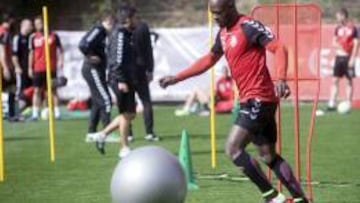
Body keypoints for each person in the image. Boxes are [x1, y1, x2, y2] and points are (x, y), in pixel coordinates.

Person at [159, 0, 309, 202]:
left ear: (231, 8)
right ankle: (301, 199)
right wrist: (177, 77)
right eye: (212, 13)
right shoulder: (223, 33)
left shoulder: (248, 26)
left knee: (233, 148)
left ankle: (273, 198)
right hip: (252, 100)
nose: (215, 17)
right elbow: (209, 59)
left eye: (218, 13)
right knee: (268, 156)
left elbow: (279, 47)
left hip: (259, 98)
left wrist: (281, 78)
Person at [92, 8, 137, 158]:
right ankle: (124, 148)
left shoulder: (124, 34)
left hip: (125, 78)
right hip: (119, 79)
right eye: (135, 18)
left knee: (130, 114)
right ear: (128, 19)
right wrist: (121, 80)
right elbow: (116, 60)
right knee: (126, 115)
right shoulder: (119, 34)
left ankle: (102, 134)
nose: (137, 20)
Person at [118, 6, 159, 142]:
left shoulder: (121, 30)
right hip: (138, 70)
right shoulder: (142, 27)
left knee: (130, 104)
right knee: (145, 102)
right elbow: (148, 50)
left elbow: (147, 49)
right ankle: (149, 133)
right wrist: (150, 69)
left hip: (130, 71)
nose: (137, 19)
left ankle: (129, 134)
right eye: (135, 16)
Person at [79, 12, 114, 141]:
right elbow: (83, 44)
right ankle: (107, 133)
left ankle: (91, 133)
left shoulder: (103, 33)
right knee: (106, 101)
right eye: (112, 23)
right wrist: (89, 56)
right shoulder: (99, 29)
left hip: (96, 70)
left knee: (97, 102)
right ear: (107, 21)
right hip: (92, 69)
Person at [28, 16, 64, 120]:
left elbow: (60, 50)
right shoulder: (33, 37)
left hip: (51, 68)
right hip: (38, 68)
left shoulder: (54, 35)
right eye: (36, 24)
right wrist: (30, 68)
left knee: (53, 90)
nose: (37, 25)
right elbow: (31, 53)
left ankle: (57, 113)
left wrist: (61, 61)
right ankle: (35, 114)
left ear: (44, 23)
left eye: (39, 23)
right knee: (37, 91)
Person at [327, 8, 359, 111]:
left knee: (349, 80)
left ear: (343, 16)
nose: (337, 18)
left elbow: (356, 44)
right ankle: (332, 103)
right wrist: (340, 46)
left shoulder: (353, 28)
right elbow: (333, 42)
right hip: (339, 57)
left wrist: (353, 58)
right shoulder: (337, 28)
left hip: (348, 58)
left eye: (338, 16)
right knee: (334, 80)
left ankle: (348, 102)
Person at [12, 18, 33, 115]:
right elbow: (14, 55)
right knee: (20, 90)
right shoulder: (17, 38)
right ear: (23, 26)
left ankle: (26, 111)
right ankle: (16, 112)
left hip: (30, 69)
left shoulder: (31, 38)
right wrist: (17, 67)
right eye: (29, 25)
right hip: (21, 69)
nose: (31, 27)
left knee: (30, 90)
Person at [0, 11, 17, 121]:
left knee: (12, 88)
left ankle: (11, 113)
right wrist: (5, 67)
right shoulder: (4, 32)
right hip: (3, 66)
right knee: (11, 88)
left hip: (6, 65)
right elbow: (1, 50)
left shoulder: (5, 32)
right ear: (10, 20)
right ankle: (10, 114)